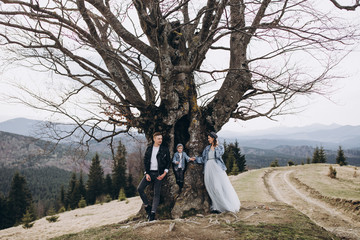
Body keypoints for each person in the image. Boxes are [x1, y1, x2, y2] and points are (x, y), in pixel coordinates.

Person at [192, 131, 240, 213]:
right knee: (212, 187)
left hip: (217, 167)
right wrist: (195, 159)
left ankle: (226, 205)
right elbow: (203, 159)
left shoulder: (220, 147)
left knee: (218, 187)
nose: (208, 140)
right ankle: (216, 207)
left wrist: (216, 146)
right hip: (208, 168)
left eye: (209, 138)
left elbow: (218, 155)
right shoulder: (207, 148)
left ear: (213, 138)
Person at [137, 132, 171, 221]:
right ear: (154, 139)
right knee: (140, 189)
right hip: (149, 173)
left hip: (159, 174)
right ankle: (147, 206)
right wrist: (146, 173)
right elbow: (145, 161)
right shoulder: (149, 149)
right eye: (158, 138)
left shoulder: (164, 149)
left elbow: (168, 162)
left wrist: (164, 174)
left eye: (161, 139)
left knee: (157, 194)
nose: (160, 140)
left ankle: (152, 214)